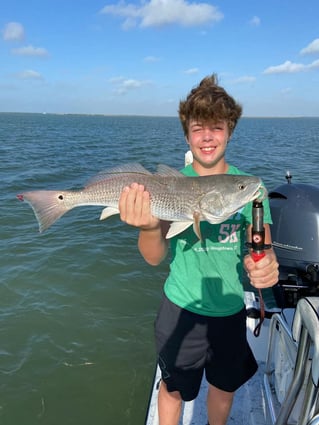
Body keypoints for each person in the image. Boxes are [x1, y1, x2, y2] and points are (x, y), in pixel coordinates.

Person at [118, 74, 279, 425]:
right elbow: (154, 256)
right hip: (180, 308)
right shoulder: (168, 185)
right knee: (174, 388)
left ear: (230, 131)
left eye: (217, 127)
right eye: (197, 128)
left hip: (229, 308)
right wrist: (148, 226)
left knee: (224, 386)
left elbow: (262, 245)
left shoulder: (250, 188)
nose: (207, 136)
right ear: (187, 134)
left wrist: (267, 264)